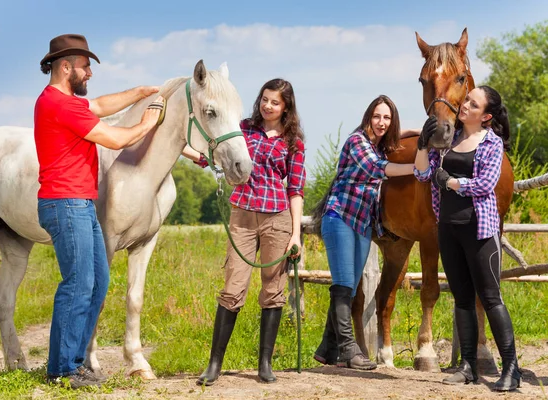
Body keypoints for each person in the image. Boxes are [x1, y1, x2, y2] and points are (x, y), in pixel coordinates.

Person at [34, 33, 165, 388]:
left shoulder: (65, 101)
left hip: (80, 204)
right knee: (78, 285)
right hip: (66, 204)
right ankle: (61, 370)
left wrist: (138, 93)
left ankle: (74, 363)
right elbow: (116, 138)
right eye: (85, 67)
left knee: (98, 282)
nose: (89, 73)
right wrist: (148, 122)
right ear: (66, 67)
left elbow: (103, 104)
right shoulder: (60, 105)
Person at [183, 78, 306, 385]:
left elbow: (296, 190)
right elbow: (214, 153)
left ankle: (264, 363)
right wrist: (185, 149)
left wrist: (295, 235)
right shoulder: (243, 128)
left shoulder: (295, 143)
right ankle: (214, 364)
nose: (267, 105)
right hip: (242, 215)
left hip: (278, 219)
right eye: (264, 99)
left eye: (275, 102)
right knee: (233, 287)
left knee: (273, 291)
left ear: (286, 107)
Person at [414, 86, 521, 392]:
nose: (465, 105)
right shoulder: (448, 141)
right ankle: (468, 366)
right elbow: (423, 175)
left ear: (485, 116)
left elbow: (486, 184)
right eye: (467, 100)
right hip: (447, 228)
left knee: (490, 299)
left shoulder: (491, 143)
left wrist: (451, 182)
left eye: (473, 104)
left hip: (479, 230)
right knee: (461, 299)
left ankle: (511, 368)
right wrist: (423, 144)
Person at [312, 95, 415, 370]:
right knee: (345, 284)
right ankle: (349, 349)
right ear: (368, 117)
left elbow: (397, 136)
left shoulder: (379, 145)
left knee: (349, 284)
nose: (381, 122)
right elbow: (377, 168)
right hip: (340, 218)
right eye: (377, 116)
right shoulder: (358, 142)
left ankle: (327, 347)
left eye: (387, 118)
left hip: (361, 224)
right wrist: (416, 169)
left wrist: (421, 130)